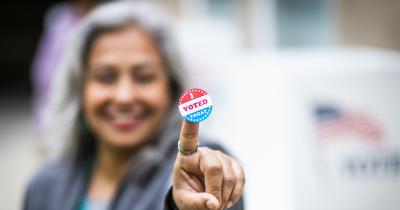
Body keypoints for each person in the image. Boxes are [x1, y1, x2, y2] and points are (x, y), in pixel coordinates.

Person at [24, 1, 245, 210]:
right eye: (105, 77)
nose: (124, 97)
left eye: (144, 77)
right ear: (79, 90)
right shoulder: (45, 186)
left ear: (171, 88)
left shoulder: (200, 170)